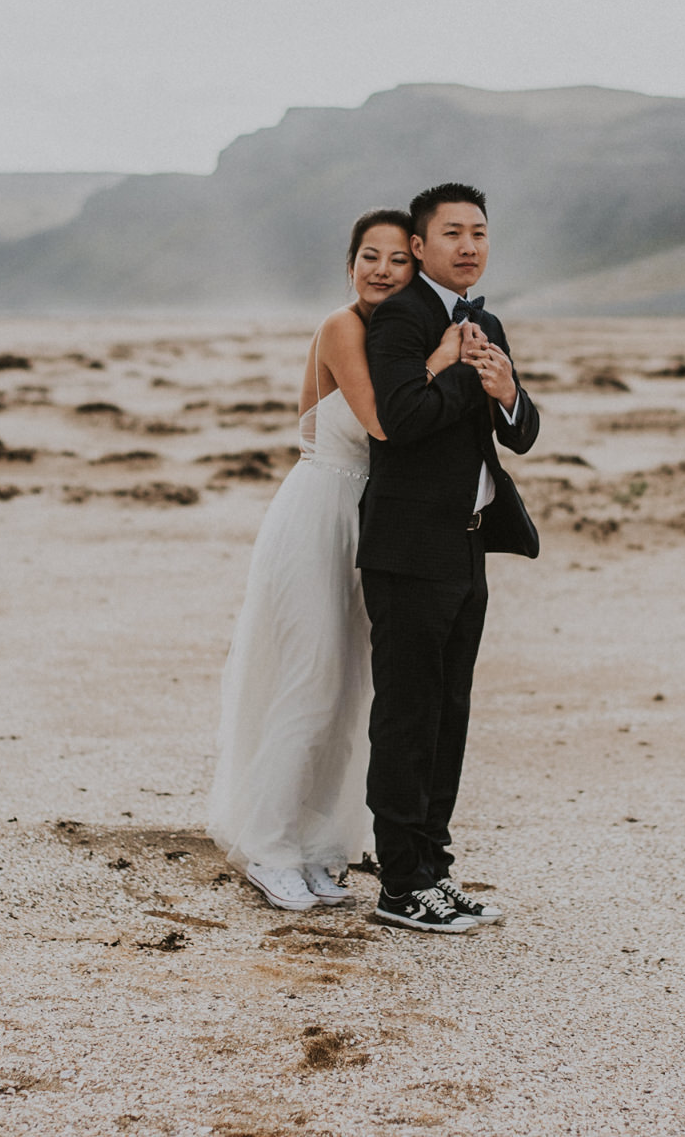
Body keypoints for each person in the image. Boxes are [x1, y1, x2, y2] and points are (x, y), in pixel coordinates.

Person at [207, 209, 466, 911]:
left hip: (372, 518)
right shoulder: (343, 327)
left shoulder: (395, 332)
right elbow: (384, 420)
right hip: (320, 510)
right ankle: (269, 846)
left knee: (353, 686)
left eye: (397, 259)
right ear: (350, 263)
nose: (382, 270)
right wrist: (441, 360)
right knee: (310, 675)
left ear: (417, 265)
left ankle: (318, 845)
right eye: (368, 256)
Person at [358, 182, 540, 934]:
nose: (470, 245)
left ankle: (435, 867)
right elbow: (398, 422)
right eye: (453, 233)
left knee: (450, 714)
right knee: (407, 715)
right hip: (407, 549)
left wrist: (503, 392)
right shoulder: (398, 319)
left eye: (481, 232)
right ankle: (400, 884)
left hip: (469, 544)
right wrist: (466, 376)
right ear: (422, 246)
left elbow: (522, 431)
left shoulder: (485, 320)